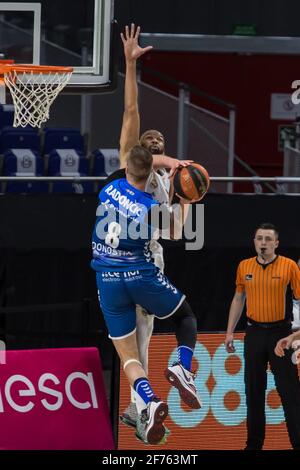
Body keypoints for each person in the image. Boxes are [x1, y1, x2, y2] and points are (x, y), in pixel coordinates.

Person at [91, 144, 202, 445]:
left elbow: (132, 144)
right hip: (139, 275)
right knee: (186, 317)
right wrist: (186, 198)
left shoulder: (109, 187)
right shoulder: (151, 208)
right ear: (151, 172)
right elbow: (179, 231)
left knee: (129, 358)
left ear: (126, 168)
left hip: (107, 279)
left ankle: (148, 402)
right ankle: (182, 365)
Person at [117, 23, 193, 431]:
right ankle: (176, 372)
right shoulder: (135, 166)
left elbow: (176, 232)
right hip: (137, 262)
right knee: (177, 321)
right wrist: (130, 67)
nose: (156, 140)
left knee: (137, 339)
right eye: (151, 139)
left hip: (133, 259)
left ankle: (138, 405)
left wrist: (184, 201)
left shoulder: (162, 187)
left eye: (161, 138)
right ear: (138, 151)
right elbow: (132, 115)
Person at [225, 223, 300, 450]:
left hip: (281, 334)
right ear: (254, 242)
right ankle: (254, 444)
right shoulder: (244, 266)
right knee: (253, 391)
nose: (263, 243)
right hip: (254, 333)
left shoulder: (289, 266)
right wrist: (229, 332)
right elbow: (239, 299)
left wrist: (296, 335)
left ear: (276, 243)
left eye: (268, 239)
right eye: (259, 238)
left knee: (290, 392)